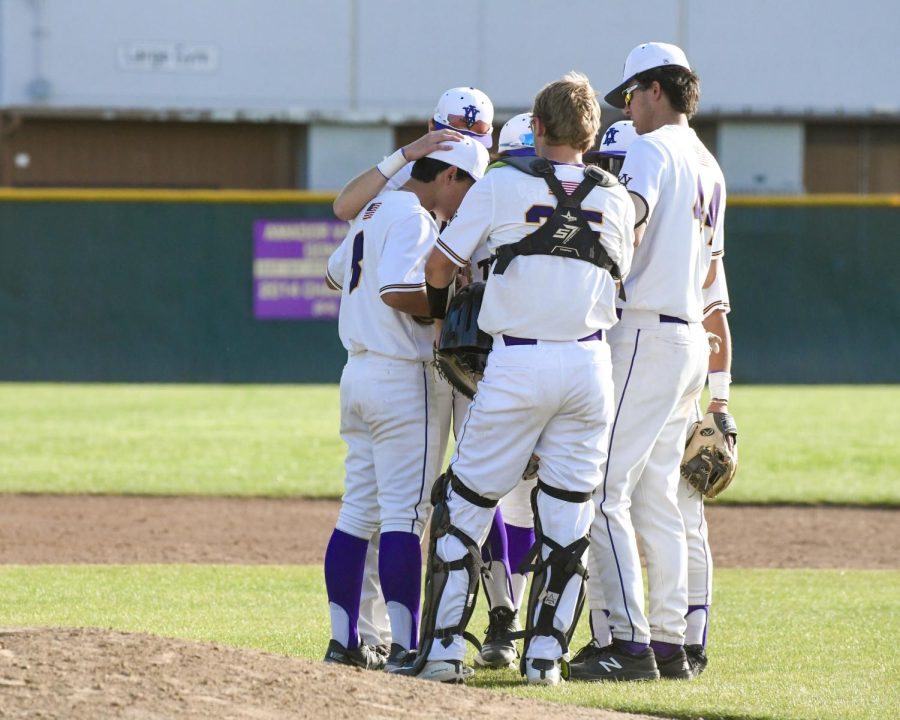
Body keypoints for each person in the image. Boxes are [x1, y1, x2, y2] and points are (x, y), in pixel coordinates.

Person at [400, 71, 634, 686]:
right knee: (568, 517)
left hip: (519, 361)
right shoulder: (616, 197)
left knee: (464, 506)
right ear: (590, 130)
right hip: (590, 366)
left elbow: (439, 263)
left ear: (536, 127)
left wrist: (439, 310)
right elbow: (616, 273)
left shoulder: (502, 181)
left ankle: (446, 653)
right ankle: (544, 661)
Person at [568, 42, 727, 682]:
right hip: (689, 337)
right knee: (657, 496)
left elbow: (625, 218)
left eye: (631, 94)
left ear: (656, 89)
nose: (626, 107)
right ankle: (670, 640)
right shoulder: (709, 162)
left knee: (604, 489)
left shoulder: (654, 149)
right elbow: (712, 263)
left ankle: (629, 646)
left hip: (646, 332)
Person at [326, 86, 497, 656]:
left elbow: (336, 273)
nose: (466, 200)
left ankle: (342, 641)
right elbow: (400, 291)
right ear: (448, 176)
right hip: (404, 379)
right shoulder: (417, 218)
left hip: (357, 375)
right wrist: (459, 303)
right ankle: (403, 647)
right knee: (404, 516)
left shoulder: (377, 210)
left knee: (357, 512)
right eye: (466, 186)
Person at [333, 87, 494, 222]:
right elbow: (343, 209)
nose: (464, 147)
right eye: (452, 138)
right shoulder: (406, 171)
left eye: (474, 141)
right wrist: (403, 155)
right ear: (432, 127)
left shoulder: (487, 178)